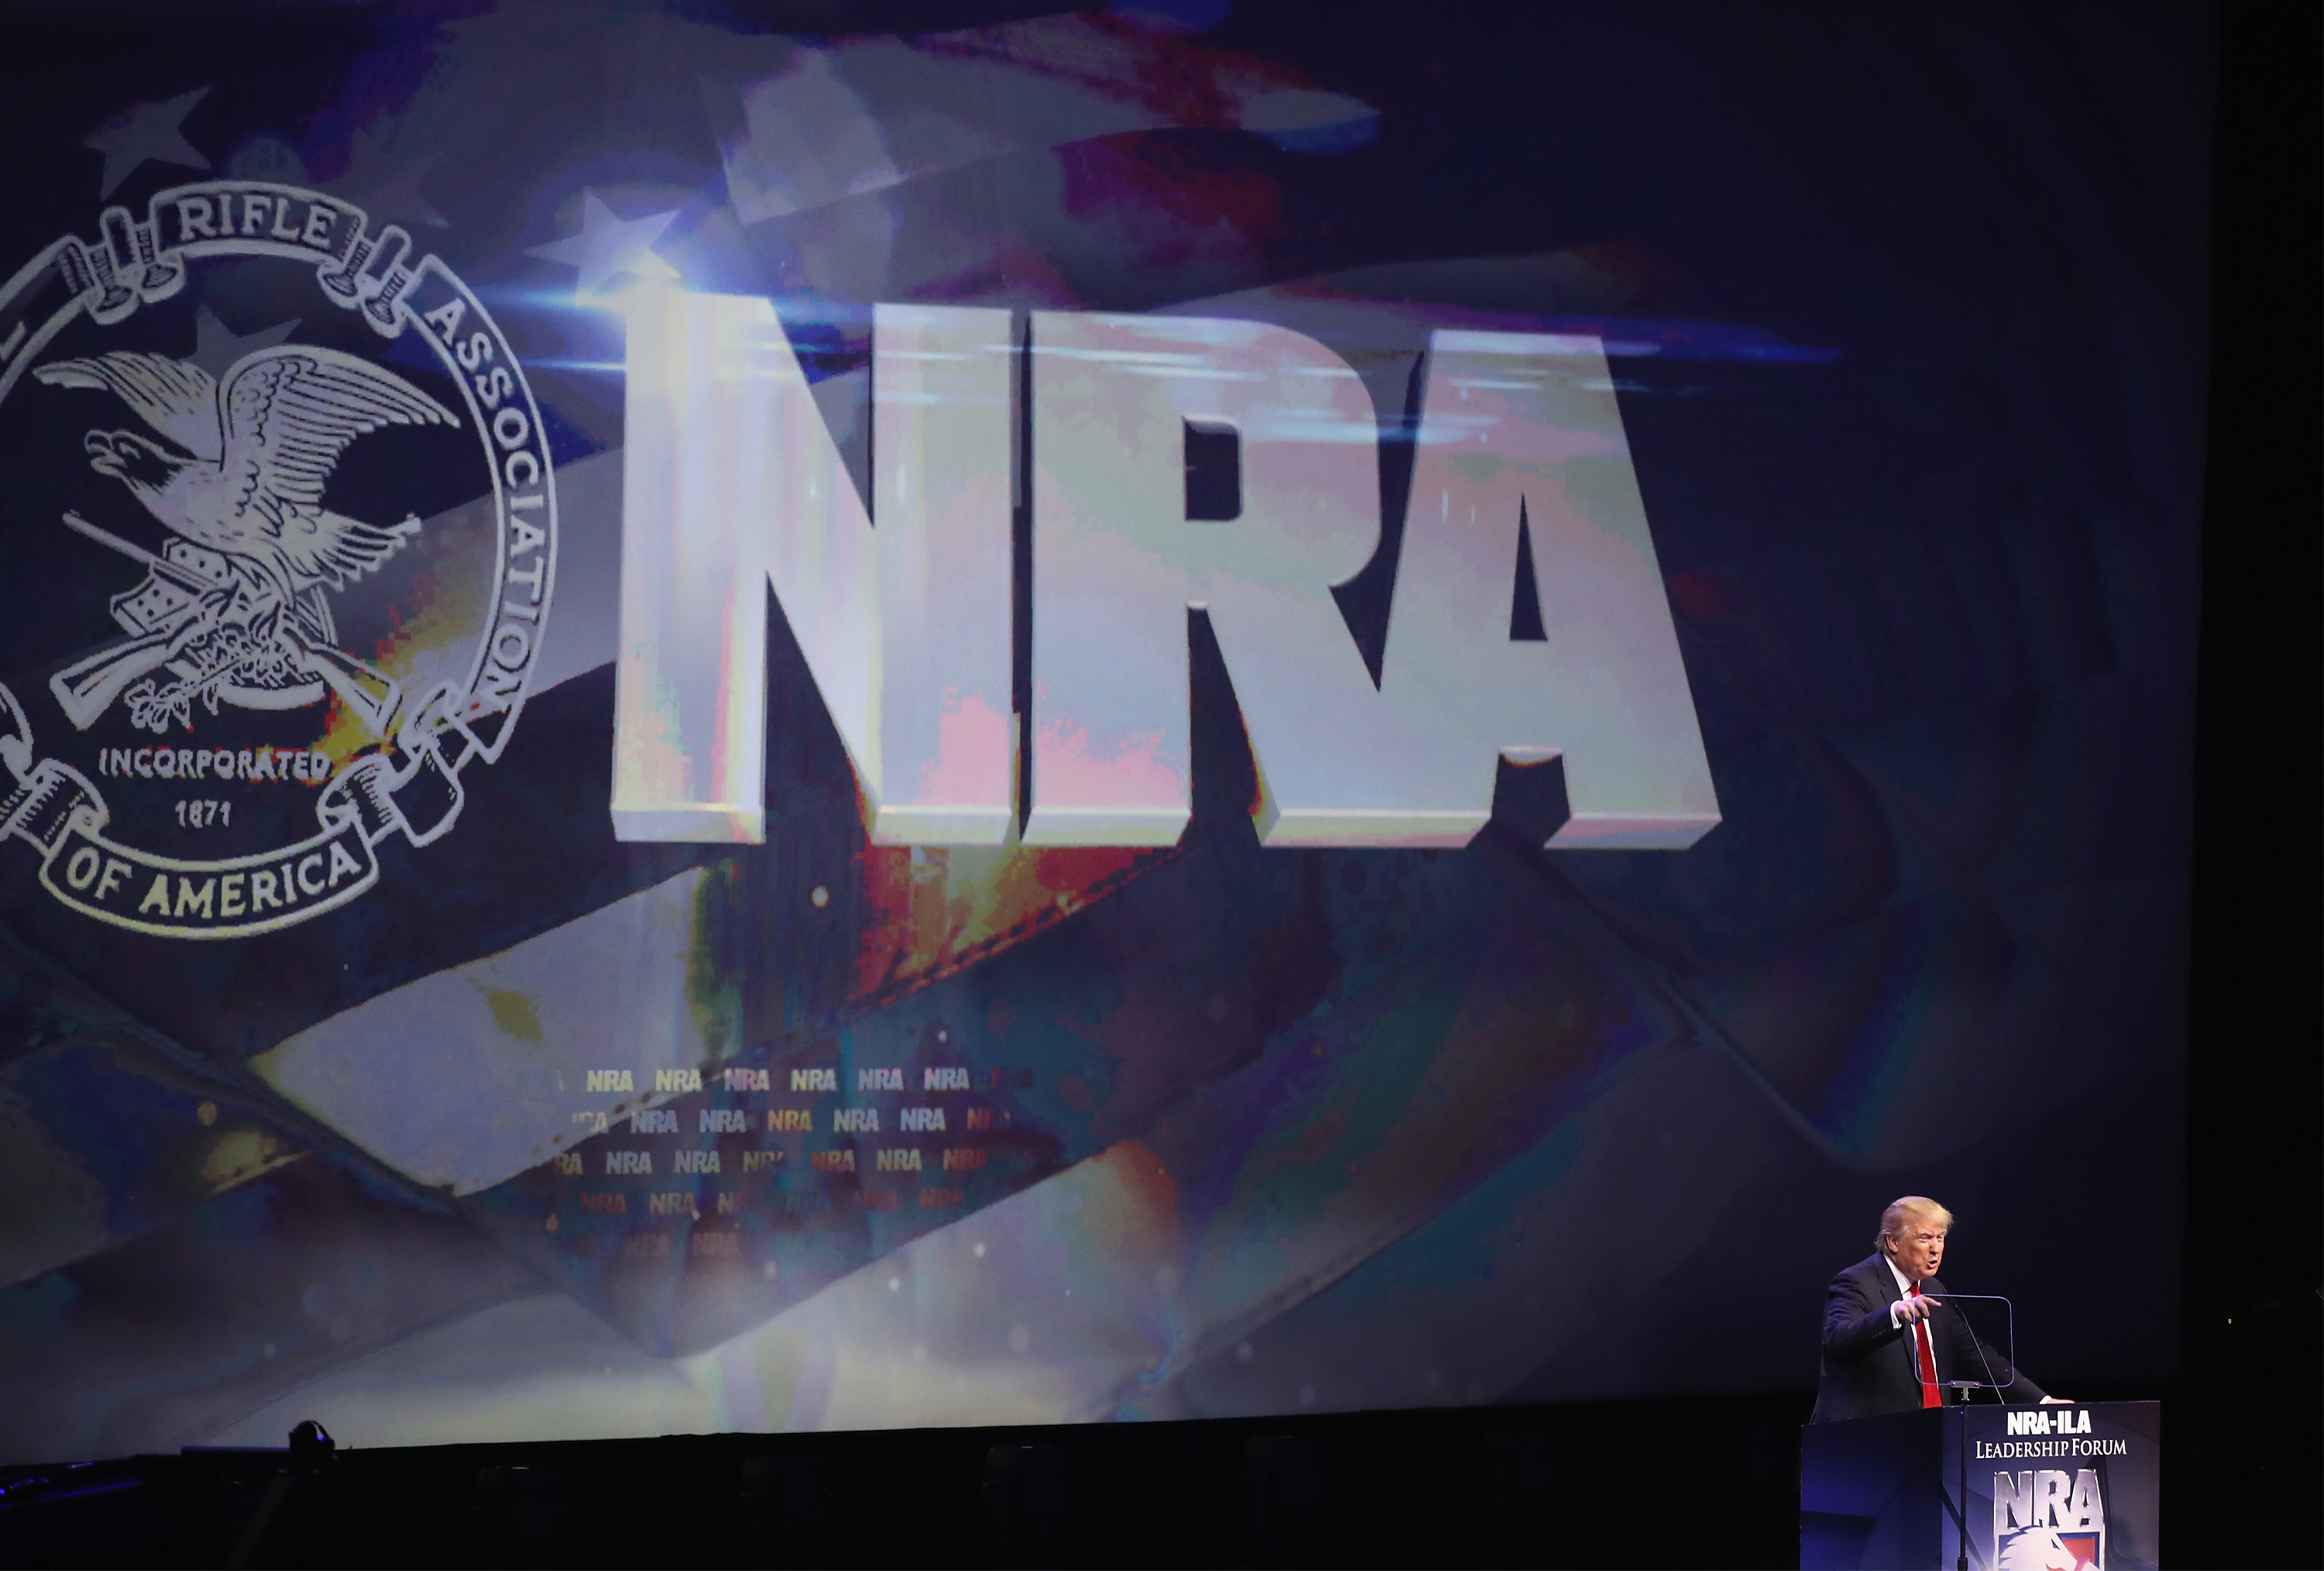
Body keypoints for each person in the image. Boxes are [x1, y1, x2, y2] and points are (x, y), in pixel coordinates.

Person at [1811, 1196, 2068, 1422]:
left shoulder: (1933, 1288)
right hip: (1866, 1442)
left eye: (1940, 1238)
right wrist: (1894, 1314)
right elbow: (1838, 1339)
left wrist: (2041, 1403)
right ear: (1893, 1243)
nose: (1936, 1249)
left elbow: (1973, 1353)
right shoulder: (1856, 1282)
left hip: (1930, 1436)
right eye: (1924, 1238)